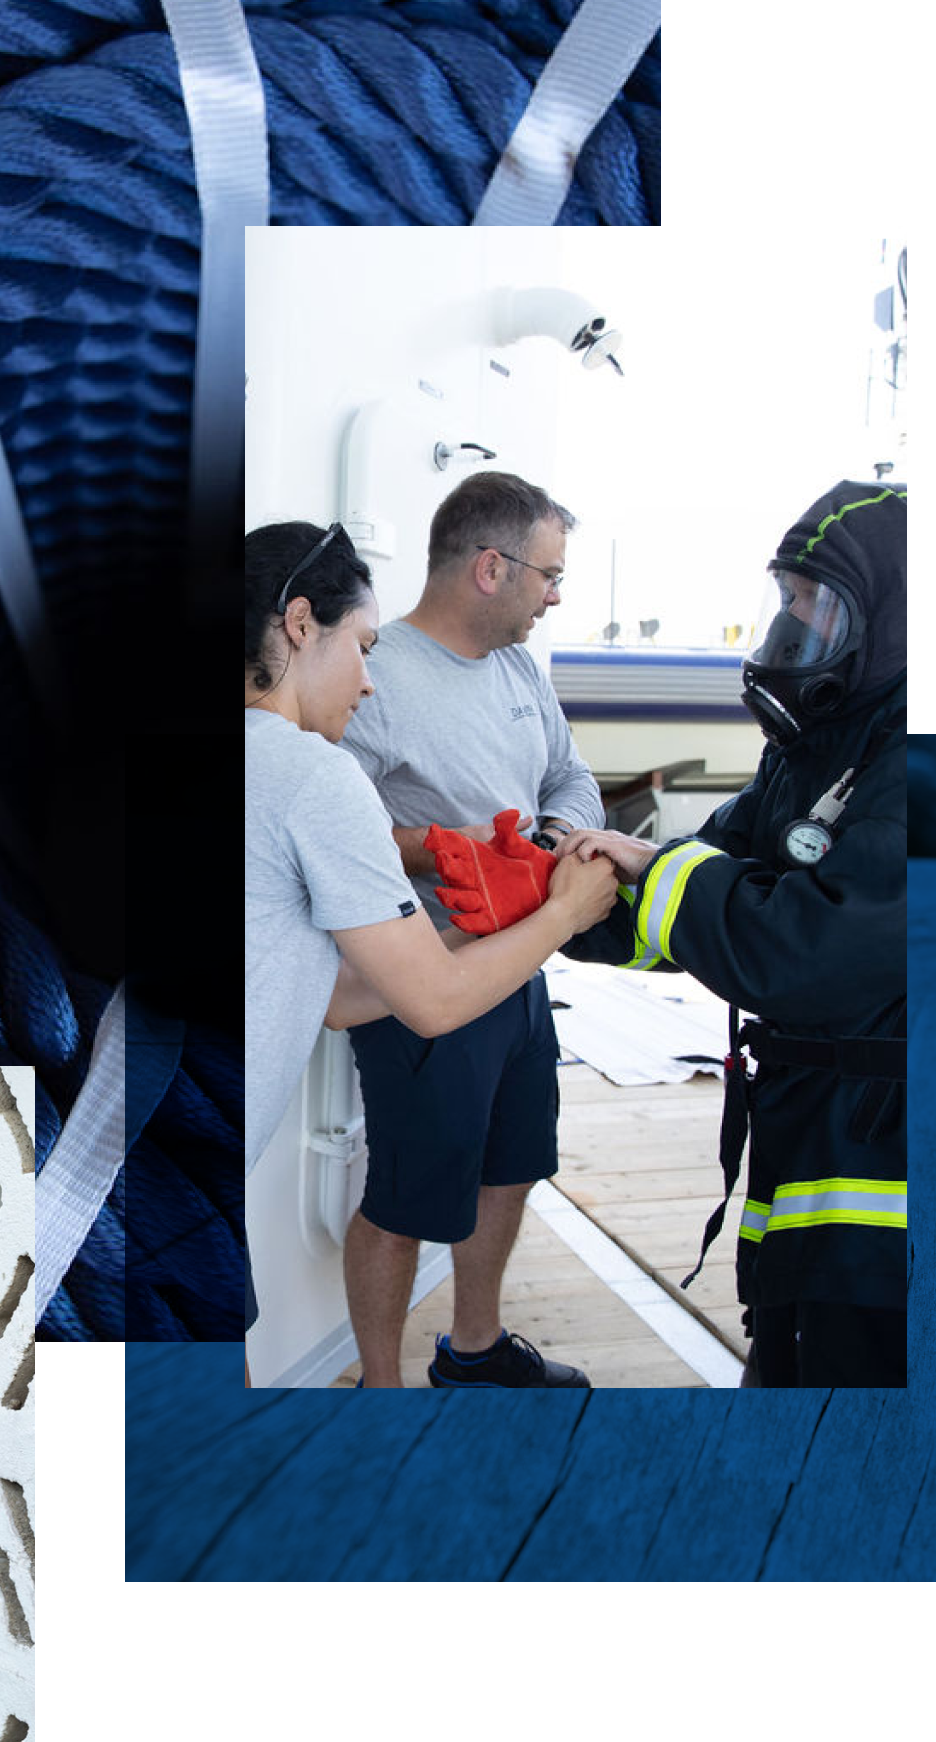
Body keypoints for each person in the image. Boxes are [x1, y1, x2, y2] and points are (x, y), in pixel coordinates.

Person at [244, 519, 617, 1386]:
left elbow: (333, 996)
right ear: (301, 625)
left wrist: (498, 923)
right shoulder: (310, 771)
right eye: (362, 648)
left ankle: (471, 1352)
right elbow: (435, 1003)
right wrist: (564, 913)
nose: (370, 683)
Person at [555, 480, 907, 1389]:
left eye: (813, 605)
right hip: (808, 1145)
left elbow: (802, 952)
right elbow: (706, 870)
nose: (791, 626)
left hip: (887, 1182)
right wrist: (555, 892)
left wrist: (648, 866)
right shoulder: (818, 744)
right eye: (786, 599)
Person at [337, 472, 607, 1388]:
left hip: (524, 967)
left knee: (514, 1163)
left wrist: (553, 845)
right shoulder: (378, 676)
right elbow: (329, 826)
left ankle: (475, 1351)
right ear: (491, 568)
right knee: (404, 1199)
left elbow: (571, 779)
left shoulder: (522, 670)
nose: (556, 595)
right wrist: (440, 849)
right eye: (549, 575)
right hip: (427, 977)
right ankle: (380, 1392)